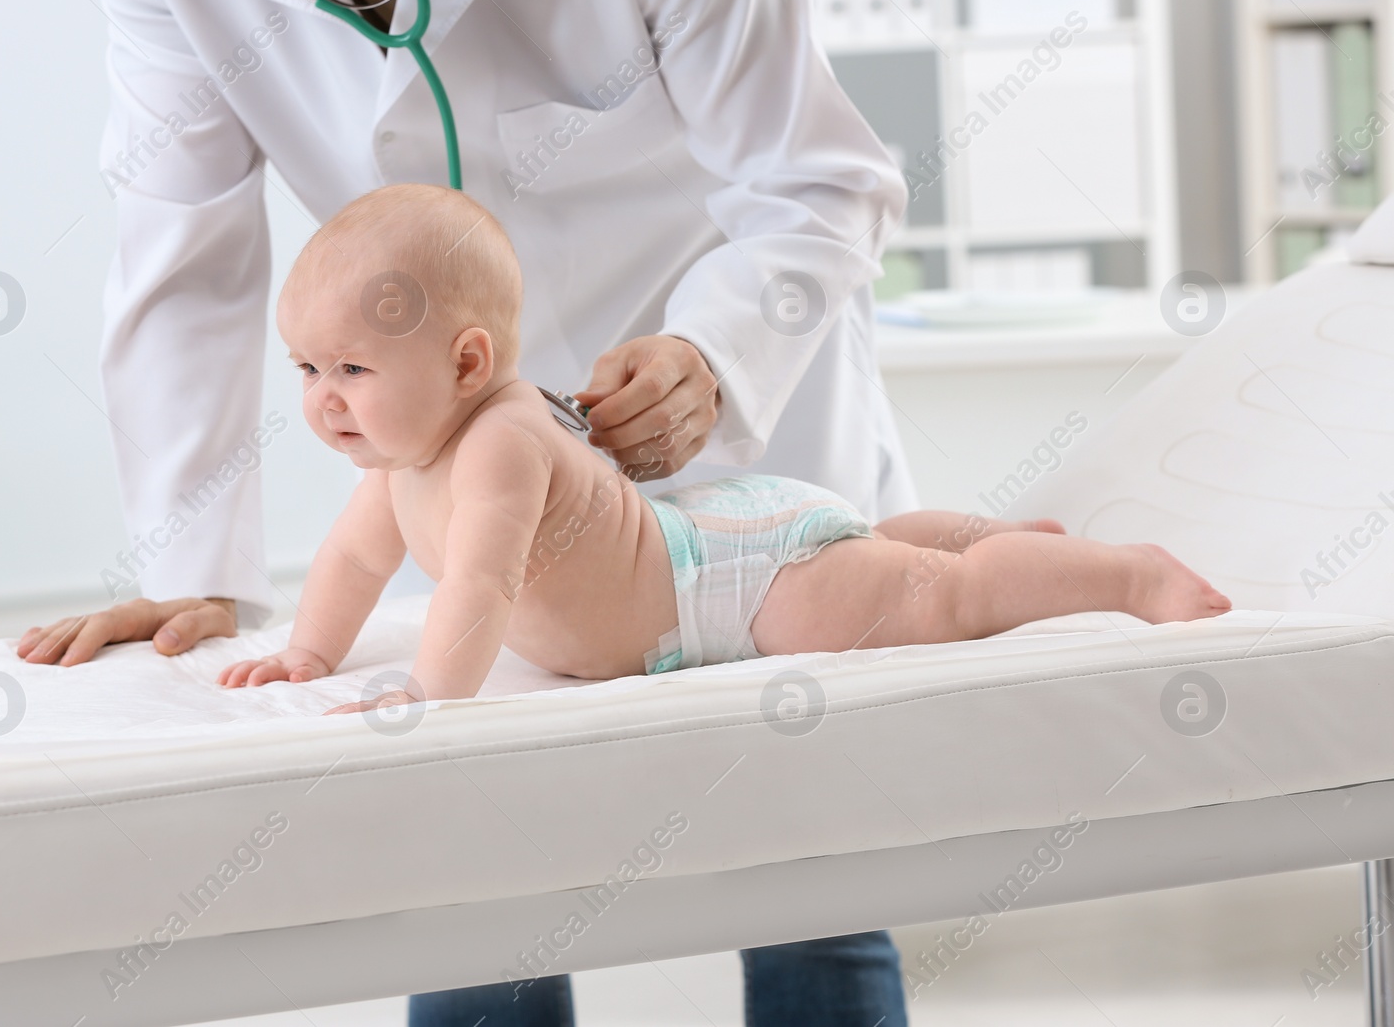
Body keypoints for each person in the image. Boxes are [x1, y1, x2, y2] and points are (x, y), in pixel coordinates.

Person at [18, 0, 925, 1021]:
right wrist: (194, 571)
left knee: (807, 878)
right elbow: (183, 262)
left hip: (733, 439)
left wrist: (718, 355)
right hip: (454, 459)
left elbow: (817, 177)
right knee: (469, 883)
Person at [218, 184, 1231, 704]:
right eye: (305, 370)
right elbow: (356, 558)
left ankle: (1122, 576)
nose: (323, 401)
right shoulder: (406, 459)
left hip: (739, 583)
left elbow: (477, 588)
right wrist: (309, 650)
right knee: (875, 545)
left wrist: (423, 697)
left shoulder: (498, 443)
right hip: (716, 534)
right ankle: (1004, 538)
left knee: (941, 600)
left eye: (350, 370)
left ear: (469, 361)